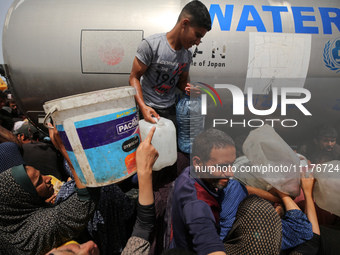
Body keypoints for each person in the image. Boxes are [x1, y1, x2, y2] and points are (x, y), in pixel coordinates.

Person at [0, 125, 99, 255]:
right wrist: (64, 148)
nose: (48, 179)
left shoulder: (9, 223)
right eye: (39, 182)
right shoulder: (39, 228)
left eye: (41, 175)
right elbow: (86, 196)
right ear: (24, 198)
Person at [129, 0, 211, 124]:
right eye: (197, 35)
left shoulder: (187, 54)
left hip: (170, 110)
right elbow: (134, 78)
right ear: (185, 23)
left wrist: (188, 89)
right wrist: (143, 107)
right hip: (147, 109)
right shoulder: (151, 45)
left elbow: (182, 82)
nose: (198, 42)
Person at [170, 128, 235, 255]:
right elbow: (208, 243)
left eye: (231, 165)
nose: (230, 173)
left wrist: (277, 197)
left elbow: (236, 186)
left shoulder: (190, 172)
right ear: (198, 162)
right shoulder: (197, 205)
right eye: (222, 167)